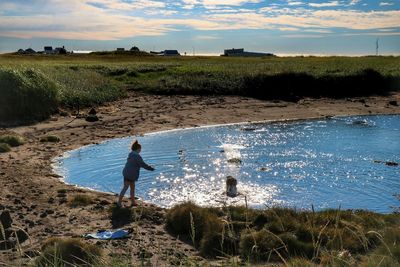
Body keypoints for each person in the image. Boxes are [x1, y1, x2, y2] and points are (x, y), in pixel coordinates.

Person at [117, 140, 154, 207]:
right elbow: (142, 164)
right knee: (126, 188)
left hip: (126, 172)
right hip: (130, 174)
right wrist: (150, 168)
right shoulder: (137, 156)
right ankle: (119, 202)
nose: (140, 150)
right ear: (138, 149)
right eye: (140, 149)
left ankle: (133, 202)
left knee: (131, 187)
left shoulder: (131, 154)